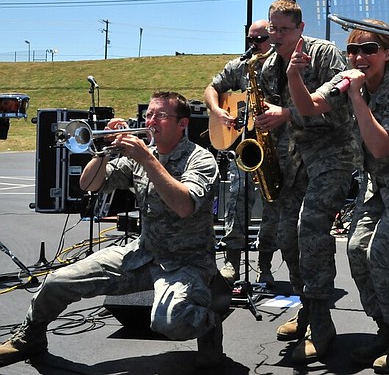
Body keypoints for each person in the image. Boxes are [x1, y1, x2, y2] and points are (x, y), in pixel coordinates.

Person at [0, 91, 226, 369]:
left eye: (161, 116)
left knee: (169, 322)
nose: (152, 121)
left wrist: (147, 159)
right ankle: (30, 337)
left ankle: (210, 321)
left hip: (187, 262)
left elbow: (184, 206)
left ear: (183, 124)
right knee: (58, 281)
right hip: (143, 253)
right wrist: (103, 149)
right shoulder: (140, 157)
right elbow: (90, 184)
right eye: (149, 115)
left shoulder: (200, 160)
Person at [286, 19, 389, 373]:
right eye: (353, 50)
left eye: (369, 49)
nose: (359, 57)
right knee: (357, 249)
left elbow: (381, 146)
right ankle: (386, 330)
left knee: (383, 254)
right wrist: (294, 76)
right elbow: (309, 106)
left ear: (388, 53)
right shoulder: (346, 80)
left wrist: (356, 95)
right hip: (383, 188)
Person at [254, 0, 360, 363]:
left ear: (300, 28)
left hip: (333, 153)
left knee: (310, 229)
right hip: (294, 160)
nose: (278, 36)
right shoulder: (268, 66)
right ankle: (308, 307)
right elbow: (272, 113)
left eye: (285, 29)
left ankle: (322, 323)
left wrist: (286, 115)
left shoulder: (325, 53)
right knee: (286, 235)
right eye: (273, 29)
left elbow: (340, 111)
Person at [204, 20, 279, 286]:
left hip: (274, 148)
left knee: (273, 207)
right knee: (236, 201)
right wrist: (218, 111)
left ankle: (265, 265)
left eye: (260, 39)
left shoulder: (282, 64)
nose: (254, 44)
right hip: (244, 146)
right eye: (251, 39)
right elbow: (212, 88)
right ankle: (232, 264)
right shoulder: (240, 65)